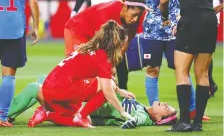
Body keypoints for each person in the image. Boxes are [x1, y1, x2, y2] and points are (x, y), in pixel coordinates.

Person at [27, 20, 136, 128]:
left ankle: (46, 114)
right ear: (116, 43)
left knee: (84, 119)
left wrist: (119, 91)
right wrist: (123, 112)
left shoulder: (89, 47)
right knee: (108, 87)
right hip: (63, 88)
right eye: (122, 44)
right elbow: (107, 89)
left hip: (50, 88)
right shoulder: (102, 57)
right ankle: (80, 116)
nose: (122, 47)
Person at [117, 0, 201, 118]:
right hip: (151, 32)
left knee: (182, 69)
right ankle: (155, 110)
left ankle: (192, 110)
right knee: (152, 70)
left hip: (174, 30)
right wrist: (139, 5)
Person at [160, 0, 218, 132]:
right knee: (203, 74)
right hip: (210, 20)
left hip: (191, 20)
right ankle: (197, 123)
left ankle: (184, 121)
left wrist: (165, 17)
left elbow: (164, 0)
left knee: (182, 71)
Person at [8, 77, 177, 129]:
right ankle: (11, 115)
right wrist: (119, 91)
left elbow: (133, 122)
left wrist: (125, 119)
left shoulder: (143, 116)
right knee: (43, 81)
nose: (164, 103)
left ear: (159, 118)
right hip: (84, 101)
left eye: (166, 108)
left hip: (80, 107)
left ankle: (5, 114)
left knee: (34, 88)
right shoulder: (141, 107)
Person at [64, 0, 147, 56]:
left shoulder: (135, 17)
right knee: (79, 64)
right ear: (125, 7)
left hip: (94, 34)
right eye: (134, 15)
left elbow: (126, 43)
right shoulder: (106, 14)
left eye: (138, 16)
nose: (135, 19)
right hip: (76, 29)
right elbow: (98, 46)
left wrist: (114, 63)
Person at [0, 0, 40, 127]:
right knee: (8, 75)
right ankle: (2, 116)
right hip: (14, 28)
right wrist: (36, 26)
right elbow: (33, 1)